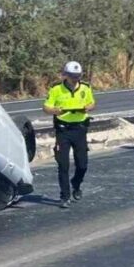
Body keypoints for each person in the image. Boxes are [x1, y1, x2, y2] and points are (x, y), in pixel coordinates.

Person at [43, 61, 96, 209]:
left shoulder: (85, 88)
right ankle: (64, 196)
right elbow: (46, 107)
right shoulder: (56, 89)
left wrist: (88, 107)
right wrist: (55, 111)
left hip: (80, 129)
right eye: (72, 76)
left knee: (82, 164)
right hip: (63, 130)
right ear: (65, 75)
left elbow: (92, 103)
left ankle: (76, 184)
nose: (75, 79)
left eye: (78, 76)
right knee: (63, 164)